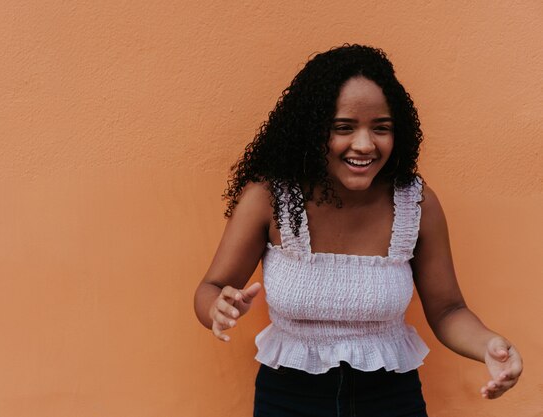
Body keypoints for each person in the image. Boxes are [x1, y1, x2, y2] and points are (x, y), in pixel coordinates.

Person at [193, 44, 522, 416]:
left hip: (391, 400)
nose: (364, 144)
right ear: (312, 131)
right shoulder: (270, 199)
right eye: (343, 128)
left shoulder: (416, 205)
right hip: (288, 399)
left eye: (381, 128)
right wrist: (217, 309)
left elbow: (448, 309)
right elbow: (211, 288)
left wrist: (491, 346)